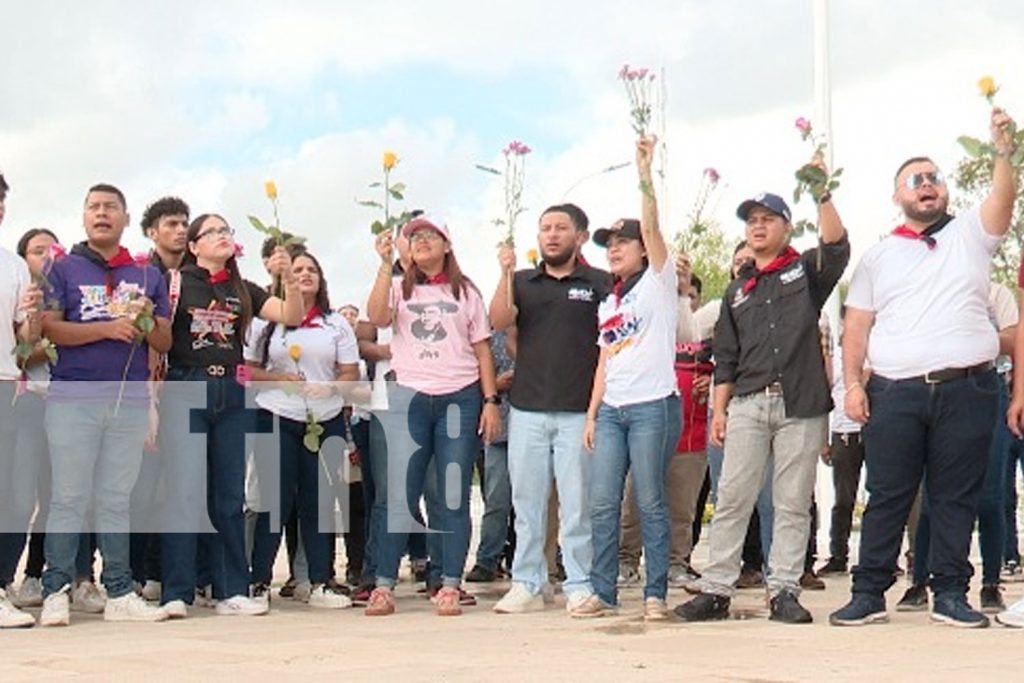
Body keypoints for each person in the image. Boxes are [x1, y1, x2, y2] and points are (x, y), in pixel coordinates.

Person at [831, 107, 1017, 628]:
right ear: (898, 197)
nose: (927, 185)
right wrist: (852, 385)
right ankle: (869, 592)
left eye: (934, 178)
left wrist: (1002, 152)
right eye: (916, 180)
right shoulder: (877, 257)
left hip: (969, 388)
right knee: (887, 493)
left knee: (956, 495)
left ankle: (951, 593)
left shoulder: (970, 235)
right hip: (895, 393)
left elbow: (1003, 201)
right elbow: (856, 329)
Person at [677, 162, 850, 624]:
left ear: (786, 227)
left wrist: (821, 190)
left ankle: (785, 590)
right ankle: (716, 589)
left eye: (767, 218)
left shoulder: (805, 271)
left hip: (801, 402)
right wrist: (719, 411)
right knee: (732, 496)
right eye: (751, 220)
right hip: (748, 402)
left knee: (792, 500)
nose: (757, 225)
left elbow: (837, 246)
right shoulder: (736, 291)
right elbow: (726, 358)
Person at [38, 183, 172, 626]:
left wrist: (144, 318)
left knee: (117, 498)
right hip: (73, 398)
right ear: (83, 217)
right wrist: (107, 329)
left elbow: (164, 341)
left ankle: (119, 590)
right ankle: (56, 587)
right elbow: (51, 331)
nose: (101, 214)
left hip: (129, 401)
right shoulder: (62, 268)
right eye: (93, 207)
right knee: (69, 497)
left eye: (110, 207)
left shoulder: (148, 274)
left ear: (126, 219)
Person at [158, 213, 302, 619]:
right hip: (186, 384)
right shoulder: (175, 282)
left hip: (233, 392)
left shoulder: (243, 288)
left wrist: (288, 277)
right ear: (194, 245)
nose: (223, 237)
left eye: (227, 231)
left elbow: (291, 314)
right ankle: (177, 590)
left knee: (229, 496)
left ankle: (231, 589)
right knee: (185, 492)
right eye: (213, 232)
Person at [365, 216, 500, 617]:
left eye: (430, 235)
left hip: (459, 398)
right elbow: (376, 319)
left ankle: (450, 584)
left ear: (447, 244)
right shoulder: (397, 288)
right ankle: (383, 585)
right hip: (408, 397)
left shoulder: (467, 292)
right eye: (415, 237)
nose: (421, 242)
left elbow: (482, 350)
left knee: (452, 494)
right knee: (397, 496)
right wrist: (385, 262)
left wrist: (490, 401)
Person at [488, 201, 612, 616]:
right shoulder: (522, 281)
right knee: (527, 501)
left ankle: (578, 583)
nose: (552, 235)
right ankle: (527, 580)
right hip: (526, 408)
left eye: (561, 228)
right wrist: (505, 271)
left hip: (579, 410)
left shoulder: (599, 282)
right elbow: (498, 319)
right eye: (545, 228)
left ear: (579, 235)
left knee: (577, 504)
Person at [580, 135, 681, 620]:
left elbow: (654, 225)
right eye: (609, 245)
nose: (615, 249)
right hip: (613, 410)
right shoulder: (610, 301)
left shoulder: (661, 284)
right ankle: (603, 591)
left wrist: (645, 173)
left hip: (653, 406)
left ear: (644, 249)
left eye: (624, 242)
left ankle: (655, 593)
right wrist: (593, 414)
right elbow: (605, 360)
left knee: (649, 501)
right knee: (602, 504)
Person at [246, 250, 359, 609]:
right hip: (276, 414)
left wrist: (330, 389)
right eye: (297, 270)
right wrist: (280, 377)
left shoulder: (335, 324)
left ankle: (322, 580)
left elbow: (350, 372)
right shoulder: (265, 322)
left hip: (324, 419)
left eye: (312, 269)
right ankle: (258, 580)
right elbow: (245, 372)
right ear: (283, 278)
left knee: (321, 502)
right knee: (274, 501)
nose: (305, 274)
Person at [618, 264, 708, 591]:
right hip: (644, 429)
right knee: (634, 502)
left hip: (689, 434)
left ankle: (676, 564)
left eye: (690, 295)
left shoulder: (701, 331)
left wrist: (682, 293)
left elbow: (689, 339)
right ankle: (626, 561)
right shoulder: (641, 326)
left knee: (682, 509)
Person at [0, 176, 45, 629]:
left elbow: (23, 341)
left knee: (16, 496)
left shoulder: (13, 267)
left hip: (7, 387)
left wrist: (32, 312)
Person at [465, 328, 515, 582]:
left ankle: (541, 557)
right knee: (496, 500)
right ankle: (488, 558)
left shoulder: (540, 333)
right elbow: (475, 383)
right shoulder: (491, 342)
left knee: (537, 501)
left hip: (532, 425)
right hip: (499, 430)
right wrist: (496, 385)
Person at [818, 306, 864, 577]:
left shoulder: (877, 352)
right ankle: (838, 554)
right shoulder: (834, 358)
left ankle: (882, 555)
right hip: (843, 432)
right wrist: (824, 439)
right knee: (843, 498)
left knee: (880, 496)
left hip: (874, 429)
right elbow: (826, 398)